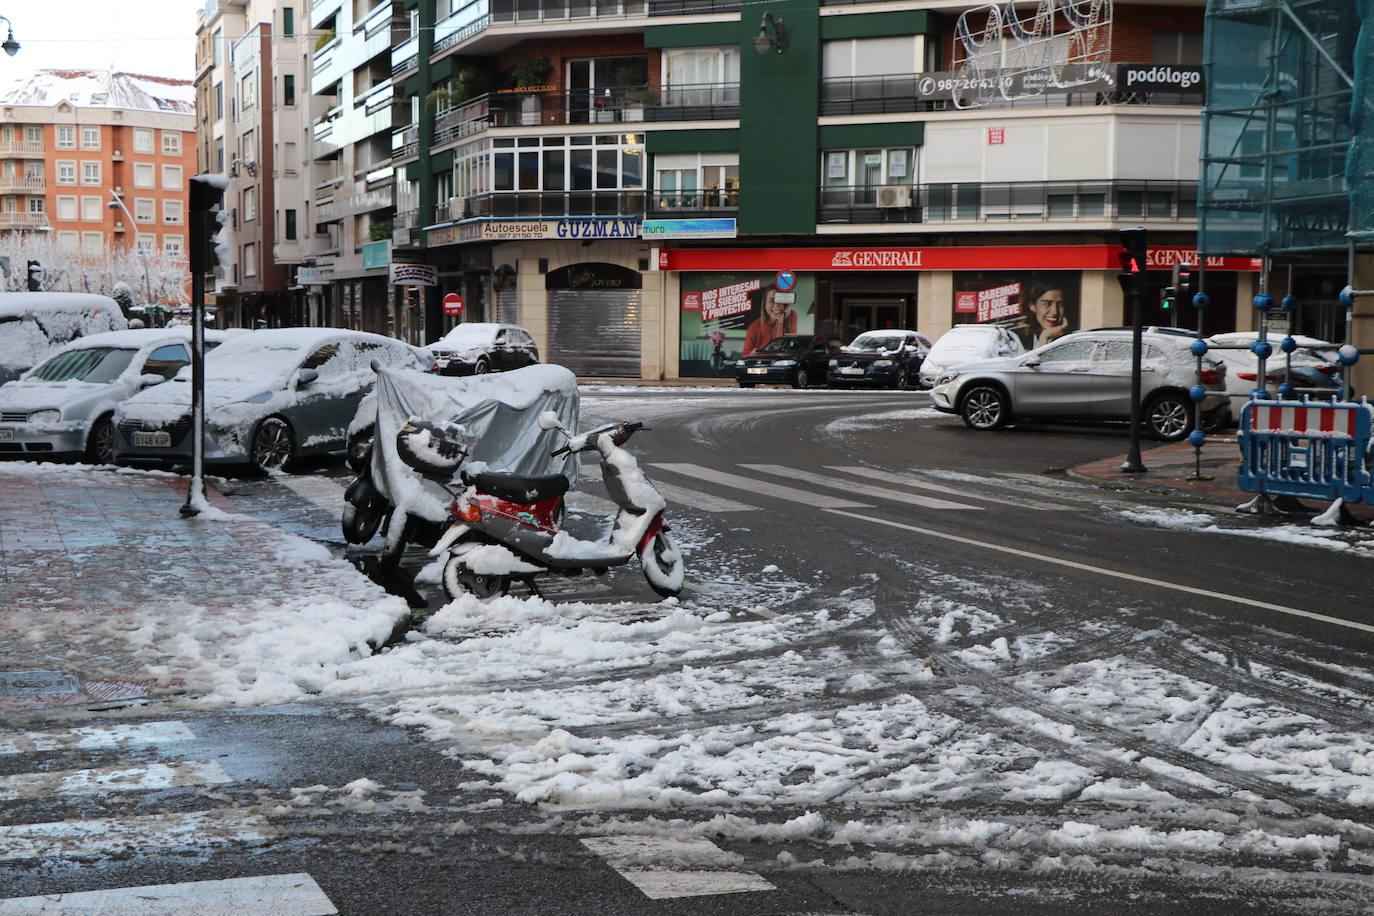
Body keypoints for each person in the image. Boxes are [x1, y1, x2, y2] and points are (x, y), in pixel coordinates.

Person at [1011, 283, 1071, 349]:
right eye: (1047, 304)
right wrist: (1045, 336)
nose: (1055, 312)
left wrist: (1046, 335)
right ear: (1032, 306)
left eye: (1060, 305)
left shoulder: (1070, 341)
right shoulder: (1018, 338)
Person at [742, 286, 797, 355]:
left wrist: (780, 321)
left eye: (780, 301)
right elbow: (744, 356)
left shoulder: (791, 316)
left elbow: (781, 348)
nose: (776, 306)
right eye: (771, 301)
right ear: (764, 305)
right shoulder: (754, 327)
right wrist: (751, 355)